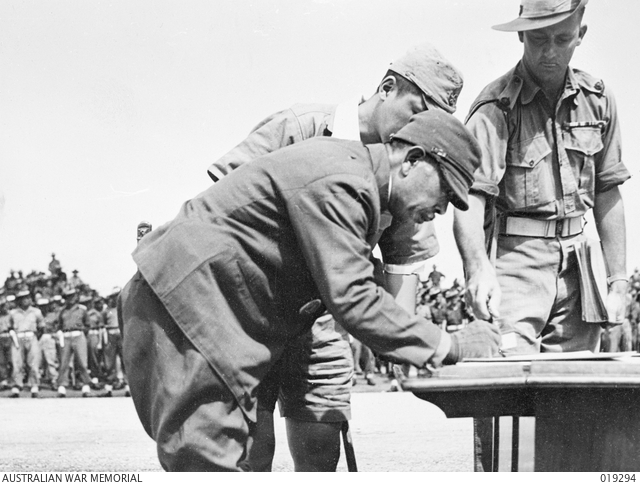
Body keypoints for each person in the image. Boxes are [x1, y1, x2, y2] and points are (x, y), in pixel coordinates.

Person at [120, 110, 502, 471]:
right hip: (188, 316)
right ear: (412, 160)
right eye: (444, 191)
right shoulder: (345, 182)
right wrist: (452, 345)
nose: (441, 210)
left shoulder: (354, 175)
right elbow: (354, 300)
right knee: (207, 466)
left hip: (203, 320)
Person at [206, 42, 466, 472]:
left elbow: (404, 263)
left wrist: (402, 348)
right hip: (256, 311)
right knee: (250, 447)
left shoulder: (408, 172)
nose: (418, 128)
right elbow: (223, 204)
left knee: (321, 444)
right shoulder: (299, 126)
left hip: (324, 317)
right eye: (415, 111)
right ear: (386, 88)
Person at [452, 0, 631, 471]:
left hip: (579, 262)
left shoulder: (599, 99)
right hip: (516, 260)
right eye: (538, 39)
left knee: (577, 403)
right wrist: (477, 270)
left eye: (562, 38)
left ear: (581, 33)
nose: (549, 52)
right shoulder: (496, 108)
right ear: (520, 37)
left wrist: (618, 281)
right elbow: (471, 200)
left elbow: (610, 192)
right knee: (507, 403)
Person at [56, 288, 92, 398]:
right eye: (67, 297)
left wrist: (81, 334)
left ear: (76, 297)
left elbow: (87, 325)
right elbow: (60, 325)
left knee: (82, 362)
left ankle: (85, 385)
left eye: (72, 296)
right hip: (66, 336)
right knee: (64, 362)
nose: (70, 299)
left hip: (78, 335)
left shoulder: (82, 309)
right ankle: (62, 386)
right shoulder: (62, 311)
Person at [9, 290, 44, 398]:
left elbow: (41, 327)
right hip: (18, 337)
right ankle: (17, 385)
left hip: (31, 336)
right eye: (22, 298)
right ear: (18, 300)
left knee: (33, 362)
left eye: (27, 297)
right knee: (17, 363)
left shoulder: (36, 312)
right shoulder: (13, 313)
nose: (25, 300)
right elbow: (10, 326)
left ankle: (34, 385)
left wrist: (35, 337)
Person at [103, 288, 127, 397]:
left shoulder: (125, 308)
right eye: (114, 296)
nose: (116, 298)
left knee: (125, 360)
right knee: (110, 361)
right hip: (110, 333)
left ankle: (127, 386)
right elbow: (103, 324)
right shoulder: (107, 310)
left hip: (121, 333)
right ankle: (109, 387)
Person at [37, 298, 60, 389]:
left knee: (51, 360)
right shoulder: (37, 315)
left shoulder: (53, 315)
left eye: (45, 306)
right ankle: (37, 380)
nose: (43, 308)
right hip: (38, 338)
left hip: (49, 337)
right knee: (37, 360)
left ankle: (54, 380)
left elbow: (58, 327)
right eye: (41, 306)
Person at [85, 295, 105, 386]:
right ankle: (92, 375)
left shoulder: (99, 313)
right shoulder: (87, 313)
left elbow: (101, 328)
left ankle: (97, 375)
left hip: (96, 334)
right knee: (90, 356)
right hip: (88, 334)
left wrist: (100, 341)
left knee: (96, 355)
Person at [0, 296, 14, 390]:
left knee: (12, 360)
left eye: (5, 305)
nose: (3, 308)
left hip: (10, 337)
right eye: (2, 306)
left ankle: (12, 379)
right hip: (1, 337)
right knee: (1, 361)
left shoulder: (11, 315)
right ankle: (4, 380)